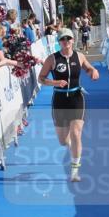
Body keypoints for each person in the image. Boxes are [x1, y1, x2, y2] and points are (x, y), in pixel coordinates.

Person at [37, 28, 100, 182]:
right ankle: (71, 145)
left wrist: (93, 71)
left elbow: (88, 68)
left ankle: (74, 171)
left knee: (76, 133)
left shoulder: (79, 56)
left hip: (76, 97)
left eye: (68, 38)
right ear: (59, 42)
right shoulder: (52, 59)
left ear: (73, 40)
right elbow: (41, 78)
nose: (66, 41)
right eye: (63, 39)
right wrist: (56, 82)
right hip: (59, 100)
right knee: (63, 140)